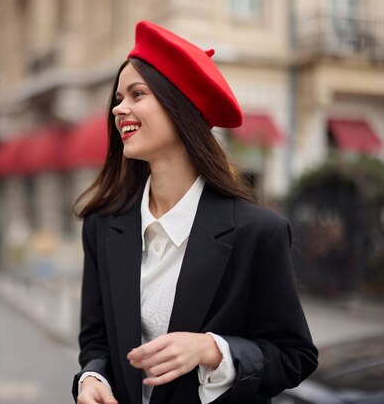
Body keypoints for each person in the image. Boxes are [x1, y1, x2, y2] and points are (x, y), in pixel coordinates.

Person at [71, 20, 318, 404]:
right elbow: (96, 340)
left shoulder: (258, 231)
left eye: (137, 94)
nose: (120, 108)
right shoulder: (103, 225)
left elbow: (294, 357)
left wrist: (212, 350)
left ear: (179, 105)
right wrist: (91, 379)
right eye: (119, 98)